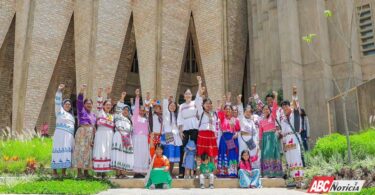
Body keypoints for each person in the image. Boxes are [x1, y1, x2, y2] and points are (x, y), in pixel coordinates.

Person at [177, 76, 201, 178]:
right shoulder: (181, 106)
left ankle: (194, 171)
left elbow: (199, 95)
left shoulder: (195, 103)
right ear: (184, 95)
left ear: (191, 95)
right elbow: (179, 118)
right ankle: (182, 172)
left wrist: (199, 83)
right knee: (184, 149)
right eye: (186, 93)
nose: (188, 95)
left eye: (189, 93)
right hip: (185, 130)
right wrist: (180, 130)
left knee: (194, 149)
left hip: (194, 128)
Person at [278, 97, 304, 188]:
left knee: (296, 159)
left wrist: (294, 95)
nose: (284, 109)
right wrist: (284, 144)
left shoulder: (295, 113)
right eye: (283, 107)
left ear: (290, 106)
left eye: (286, 106)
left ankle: (299, 181)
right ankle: (294, 180)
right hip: (286, 139)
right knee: (289, 161)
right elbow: (283, 132)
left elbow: (296, 105)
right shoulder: (283, 118)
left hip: (294, 137)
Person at [51, 84, 75, 178]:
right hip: (60, 135)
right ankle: (55, 172)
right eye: (66, 104)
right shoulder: (59, 111)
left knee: (66, 152)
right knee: (57, 151)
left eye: (69, 104)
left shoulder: (71, 116)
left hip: (68, 136)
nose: (68, 105)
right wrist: (59, 91)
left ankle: (64, 173)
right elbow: (57, 102)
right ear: (63, 105)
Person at [257, 91, 283, 178]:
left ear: (269, 110)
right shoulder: (261, 121)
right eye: (264, 109)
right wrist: (260, 141)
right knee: (266, 154)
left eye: (267, 109)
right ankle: (266, 173)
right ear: (262, 110)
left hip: (272, 137)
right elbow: (260, 132)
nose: (266, 110)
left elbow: (275, 107)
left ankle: (275, 173)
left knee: (273, 153)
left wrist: (275, 96)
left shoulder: (272, 117)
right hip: (265, 139)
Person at [73, 84, 96, 179]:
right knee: (80, 152)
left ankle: (86, 172)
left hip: (90, 135)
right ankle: (79, 173)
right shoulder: (81, 110)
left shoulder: (93, 115)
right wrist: (82, 91)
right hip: (82, 133)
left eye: (90, 104)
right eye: (87, 103)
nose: (89, 105)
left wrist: (93, 138)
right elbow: (79, 101)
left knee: (88, 152)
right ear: (84, 105)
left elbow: (94, 127)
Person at [93, 87, 114, 178]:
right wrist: (100, 93)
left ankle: (105, 171)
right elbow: (99, 103)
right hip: (101, 134)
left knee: (107, 152)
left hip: (109, 135)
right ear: (103, 106)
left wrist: (109, 95)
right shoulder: (100, 112)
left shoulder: (111, 115)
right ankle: (98, 171)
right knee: (100, 151)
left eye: (110, 105)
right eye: (107, 105)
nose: (108, 106)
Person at [111, 91, 134, 178]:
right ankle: (118, 174)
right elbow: (119, 105)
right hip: (118, 136)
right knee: (118, 154)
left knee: (125, 155)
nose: (126, 111)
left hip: (127, 138)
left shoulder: (129, 120)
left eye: (127, 110)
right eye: (124, 109)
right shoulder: (117, 116)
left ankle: (123, 173)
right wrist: (122, 97)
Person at [217, 99, 241, 178]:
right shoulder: (223, 118)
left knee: (231, 154)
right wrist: (220, 104)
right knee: (223, 152)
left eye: (229, 109)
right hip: (224, 138)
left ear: (231, 110)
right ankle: (223, 172)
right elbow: (219, 112)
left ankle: (232, 172)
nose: (228, 110)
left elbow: (238, 130)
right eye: (226, 109)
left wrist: (236, 134)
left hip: (232, 138)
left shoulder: (236, 119)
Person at [195, 81, 218, 162]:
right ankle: (200, 171)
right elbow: (198, 100)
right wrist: (199, 84)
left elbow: (215, 126)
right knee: (201, 153)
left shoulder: (214, 114)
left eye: (210, 104)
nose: (208, 105)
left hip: (211, 135)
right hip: (202, 135)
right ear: (203, 105)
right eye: (206, 104)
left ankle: (211, 171)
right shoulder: (201, 111)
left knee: (211, 154)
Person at [236, 94, 260, 169]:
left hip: (251, 141)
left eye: (250, 112)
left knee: (252, 154)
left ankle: (252, 168)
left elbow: (255, 133)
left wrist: (256, 143)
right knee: (242, 154)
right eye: (247, 111)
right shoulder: (241, 119)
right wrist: (239, 101)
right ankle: (241, 169)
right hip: (243, 140)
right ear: (244, 112)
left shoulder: (252, 122)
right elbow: (240, 111)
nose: (248, 113)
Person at [161, 95, 182, 175]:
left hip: (176, 136)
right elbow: (165, 106)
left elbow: (180, 125)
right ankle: (167, 173)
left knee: (173, 156)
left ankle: (170, 173)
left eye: (174, 106)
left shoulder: (176, 115)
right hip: (169, 135)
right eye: (171, 105)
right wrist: (167, 99)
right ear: (168, 106)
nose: (172, 107)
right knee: (169, 154)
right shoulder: (166, 113)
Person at [132, 89, 150, 178]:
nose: (141, 111)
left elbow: (148, 110)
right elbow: (135, 108)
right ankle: (136, 172)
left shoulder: (146, 119)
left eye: (143, 110)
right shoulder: (135, 117)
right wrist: (137, 97)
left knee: (143, 154)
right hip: (137, 138)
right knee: (137, 154)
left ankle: (141, 171)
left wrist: (148, 99)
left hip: (144, 139)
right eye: (140, 110)